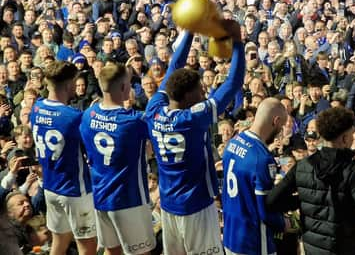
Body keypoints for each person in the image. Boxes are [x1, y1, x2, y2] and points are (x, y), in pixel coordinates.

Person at [144, 22, 244, 255]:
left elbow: (173, 68)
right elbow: (233, 83)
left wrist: (189, 30)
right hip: (196, 205)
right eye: (200, 90)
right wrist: (237, 43)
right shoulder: (191, 119)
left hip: (168, 204)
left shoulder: (154, 108)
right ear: (189, 95)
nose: (203, 94)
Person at [267, 106, 355, 255]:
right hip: (348, 248)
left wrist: (304, 200)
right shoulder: (352, 171)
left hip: (313, 249)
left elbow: (272, 200)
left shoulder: (302, 166)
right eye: (352, 134)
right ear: (344, 138)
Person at [80, 63, 155, 255]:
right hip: (129, 199)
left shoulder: (88, 115)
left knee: (112, 251)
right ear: (123, 87)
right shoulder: (134, 121)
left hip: (101, 197)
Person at [31, 61, 97, 255]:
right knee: (87, 246)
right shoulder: (74, 116)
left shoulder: (36, 108)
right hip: (74, 190)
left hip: (50, 187)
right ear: (69, 85)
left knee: (59, 241)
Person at [222, 98, 289, 255]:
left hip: (231, 234)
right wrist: (283, 223)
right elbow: (265, 210)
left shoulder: (233, 142)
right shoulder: (262, 158)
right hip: (253, 241)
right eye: (281, 126)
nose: (280, 131)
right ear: (276, 120)